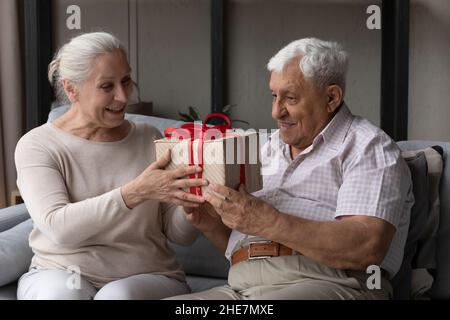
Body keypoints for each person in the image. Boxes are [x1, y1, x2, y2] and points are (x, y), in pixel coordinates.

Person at [170, 38, 414, 300]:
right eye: (274, 96)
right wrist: (213, 226)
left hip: (332, 283)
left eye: (290, 98)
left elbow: (367, 246)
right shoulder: (268, 147)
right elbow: (251, 248)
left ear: (331, 97)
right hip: (242, 287)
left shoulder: (368, 146)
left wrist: (270, 220)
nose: (276, 111)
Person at [14, 32, 209, 300]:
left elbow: (178, 236)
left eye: (126, 81)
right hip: (60, 270)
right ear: (72, 89)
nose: (122, 96)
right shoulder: (38, 145)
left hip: (146, 274)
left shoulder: (150, 138)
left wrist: (191, 210)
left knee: (117, 297)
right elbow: (59, 228)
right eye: (107, 87)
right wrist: (134, 193)